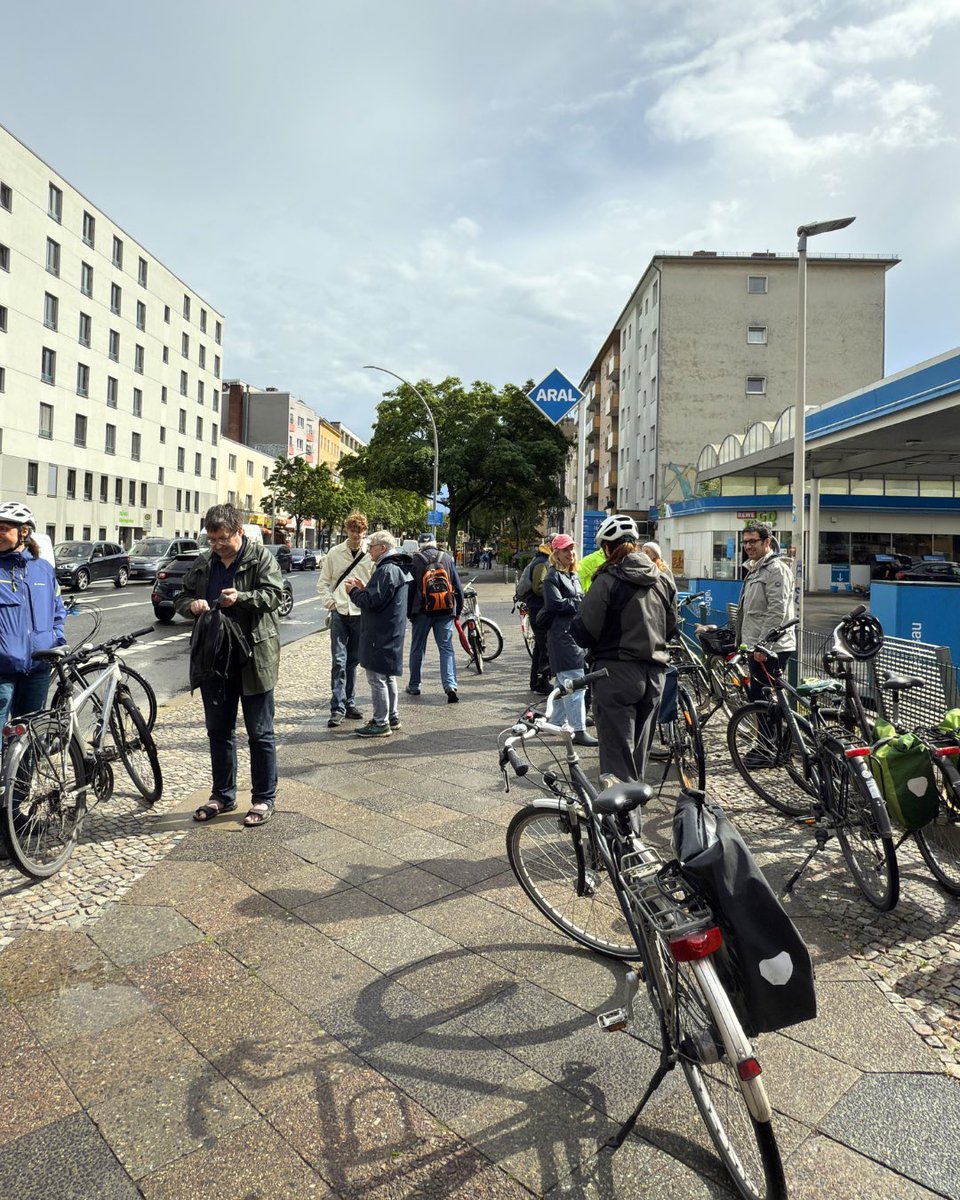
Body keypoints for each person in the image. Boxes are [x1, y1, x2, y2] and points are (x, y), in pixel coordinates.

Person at [176, 503, 284, 827]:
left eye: (223, 538)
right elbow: (179, 598)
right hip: (215, 660)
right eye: (212, 540)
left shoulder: (260, 557)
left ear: (239, 531)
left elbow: (274, 596)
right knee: (218, 731)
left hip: (253, 659)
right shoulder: (203, 562)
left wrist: (243, 597)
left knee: (260, 733)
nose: (218, 545)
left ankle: (264, 798)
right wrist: (190, 605)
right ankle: (222, 795)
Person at [574, 514, 678, 785]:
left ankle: (621, 824)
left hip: (615, 674)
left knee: (617, 762)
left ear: (607, 548)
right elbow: (671, 628)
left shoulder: (607, 580)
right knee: (637, 756)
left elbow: (584, 632)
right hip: (655, 675)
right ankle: (632, 822)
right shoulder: (663, 579)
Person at [0, 502, 66, 734]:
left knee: (29, 735)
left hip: (38, 667)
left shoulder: (43, 569)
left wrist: (55, 640)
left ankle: (23, 772)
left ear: (24, 532)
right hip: (2, 669)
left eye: (3, 529)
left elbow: (58, 610)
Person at [735, 521, 796, 768]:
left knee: (766, 702)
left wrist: (762, 646)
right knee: (760, 699)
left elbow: (776, 611)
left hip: (772, 649)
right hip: (757, 647)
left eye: (753, 541)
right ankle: (768, 747)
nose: (748, 546)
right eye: (745, 541)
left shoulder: (775, 570)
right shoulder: (755, 568)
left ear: (767, 542)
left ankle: (769, 751)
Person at [345, 531, 413, 737]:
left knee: (376, 677)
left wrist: (354, 593)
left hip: (379, 633)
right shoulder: (397, 567)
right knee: (388, 675)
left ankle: (381, 721)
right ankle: (392, 716)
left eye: (371, 546)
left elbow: (372, 602)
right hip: (391, 630)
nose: (369, 550)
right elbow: (383, 596)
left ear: (382, 548)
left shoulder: (386, 570)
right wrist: (366, 588)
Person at [317, 511, 373, 728]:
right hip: (340, 612)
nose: (356, 534)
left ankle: (349, 703)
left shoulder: (370, 554)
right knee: (338, 662)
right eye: (352, 530)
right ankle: (337, 708)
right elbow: (322, 583)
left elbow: (375, 582)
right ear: (346, 530)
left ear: (364, 531)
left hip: (360, 613)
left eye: (359, 530)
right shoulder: (335, 553)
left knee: (353, 661)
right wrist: (330, 603)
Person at [541, 534, 597, 746]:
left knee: (564, 682)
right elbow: (555, 604)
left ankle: (556, 722)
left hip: (572, 635)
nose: (570, 553)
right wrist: (579, 601)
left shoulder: (572, 574)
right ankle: (578, 730)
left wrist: (576, 602)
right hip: (562, 636)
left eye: (572, 549)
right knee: (575, 684)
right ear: (556, 553)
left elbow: (569, 603)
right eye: (565, 550)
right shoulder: (552, 576)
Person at [406, 532, 464, 702]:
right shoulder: (446, 558)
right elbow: (458, 587)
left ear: (420, 545)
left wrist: (410, 613)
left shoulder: (416, 560)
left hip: (422, 611)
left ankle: (415, 685)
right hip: (445, 610)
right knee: (446, 648)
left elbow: (410, 589)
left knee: (417, 647)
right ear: (435, 542)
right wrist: (457, 610)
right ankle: (450, 685)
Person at [520, 539, 552, 693]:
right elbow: (538, 587)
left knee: (540, 647)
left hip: (536, 607)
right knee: (544, 646)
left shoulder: (542, 559)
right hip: (538, 608)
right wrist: (553, 593)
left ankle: (535, 682)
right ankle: (542, 681)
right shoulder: (542, 562)